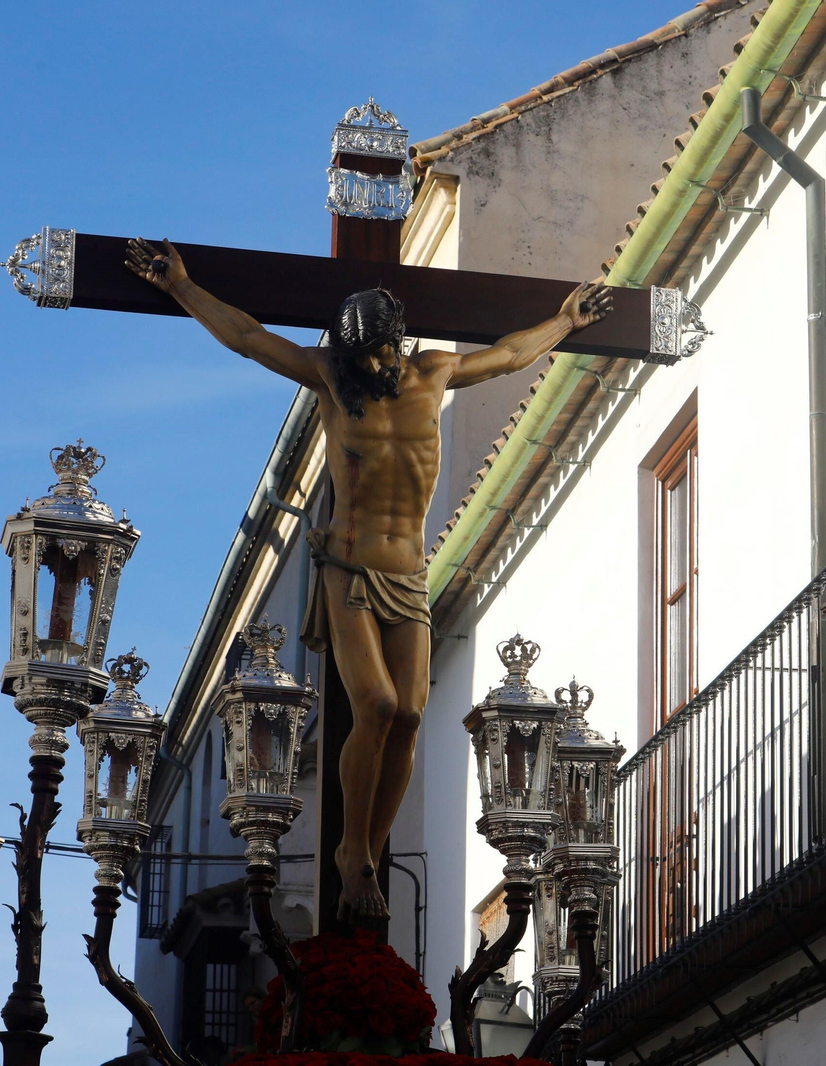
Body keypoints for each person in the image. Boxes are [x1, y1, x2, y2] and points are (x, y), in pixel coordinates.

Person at [126, 238, 612, 920]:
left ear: (397, 342)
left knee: (410, 712)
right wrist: (182, 287)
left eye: (379, 353)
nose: (371, 365)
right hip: (348, 566)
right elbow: (248, 337)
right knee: (377, 704)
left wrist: (564, 321)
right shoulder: (331, 376)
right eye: (360, 355)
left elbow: (508, 355)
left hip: (408, 572)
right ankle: (350, 850)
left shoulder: (434, 371)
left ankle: (371, 852)